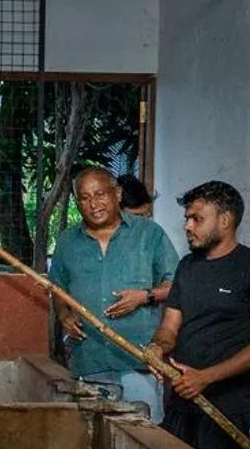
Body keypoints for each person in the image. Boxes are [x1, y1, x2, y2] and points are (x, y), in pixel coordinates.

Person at [148, 179, 250, 449]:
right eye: (187, 218)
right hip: (182, 403)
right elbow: (170, 327)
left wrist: (206, 378)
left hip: (229, 408)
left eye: (197, 218)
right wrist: (157, 347)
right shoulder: (187, 266)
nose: (187, 225)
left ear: (225, 220)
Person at [49, 168, 179, 421]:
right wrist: (64, 315)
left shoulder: (149, 234)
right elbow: (58, 288)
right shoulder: (67, 241)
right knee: (94, 441)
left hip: (139, 360)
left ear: (117, 194)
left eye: (99, 194)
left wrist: (145, 296)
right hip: (89, 361)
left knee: (144, 437)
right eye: (84, 198)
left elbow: (176, 283)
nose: (93, 204)